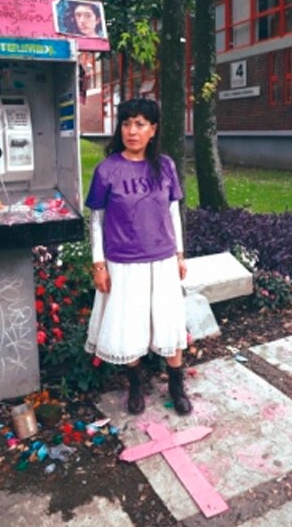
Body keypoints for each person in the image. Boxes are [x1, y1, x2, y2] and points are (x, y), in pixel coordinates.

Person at [84, 98, 192, 415]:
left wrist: (180, 255)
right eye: (127, 123)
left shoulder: (166, 166)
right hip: (123, 263)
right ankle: (135, 385)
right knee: (129, 326)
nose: (132, 131)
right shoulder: (107, 170)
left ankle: (176, 384)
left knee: (168, 324)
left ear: (153, 129)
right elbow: (96, 221)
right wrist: (99, 264)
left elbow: (174, 214)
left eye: (141, 124)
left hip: (161, 260)